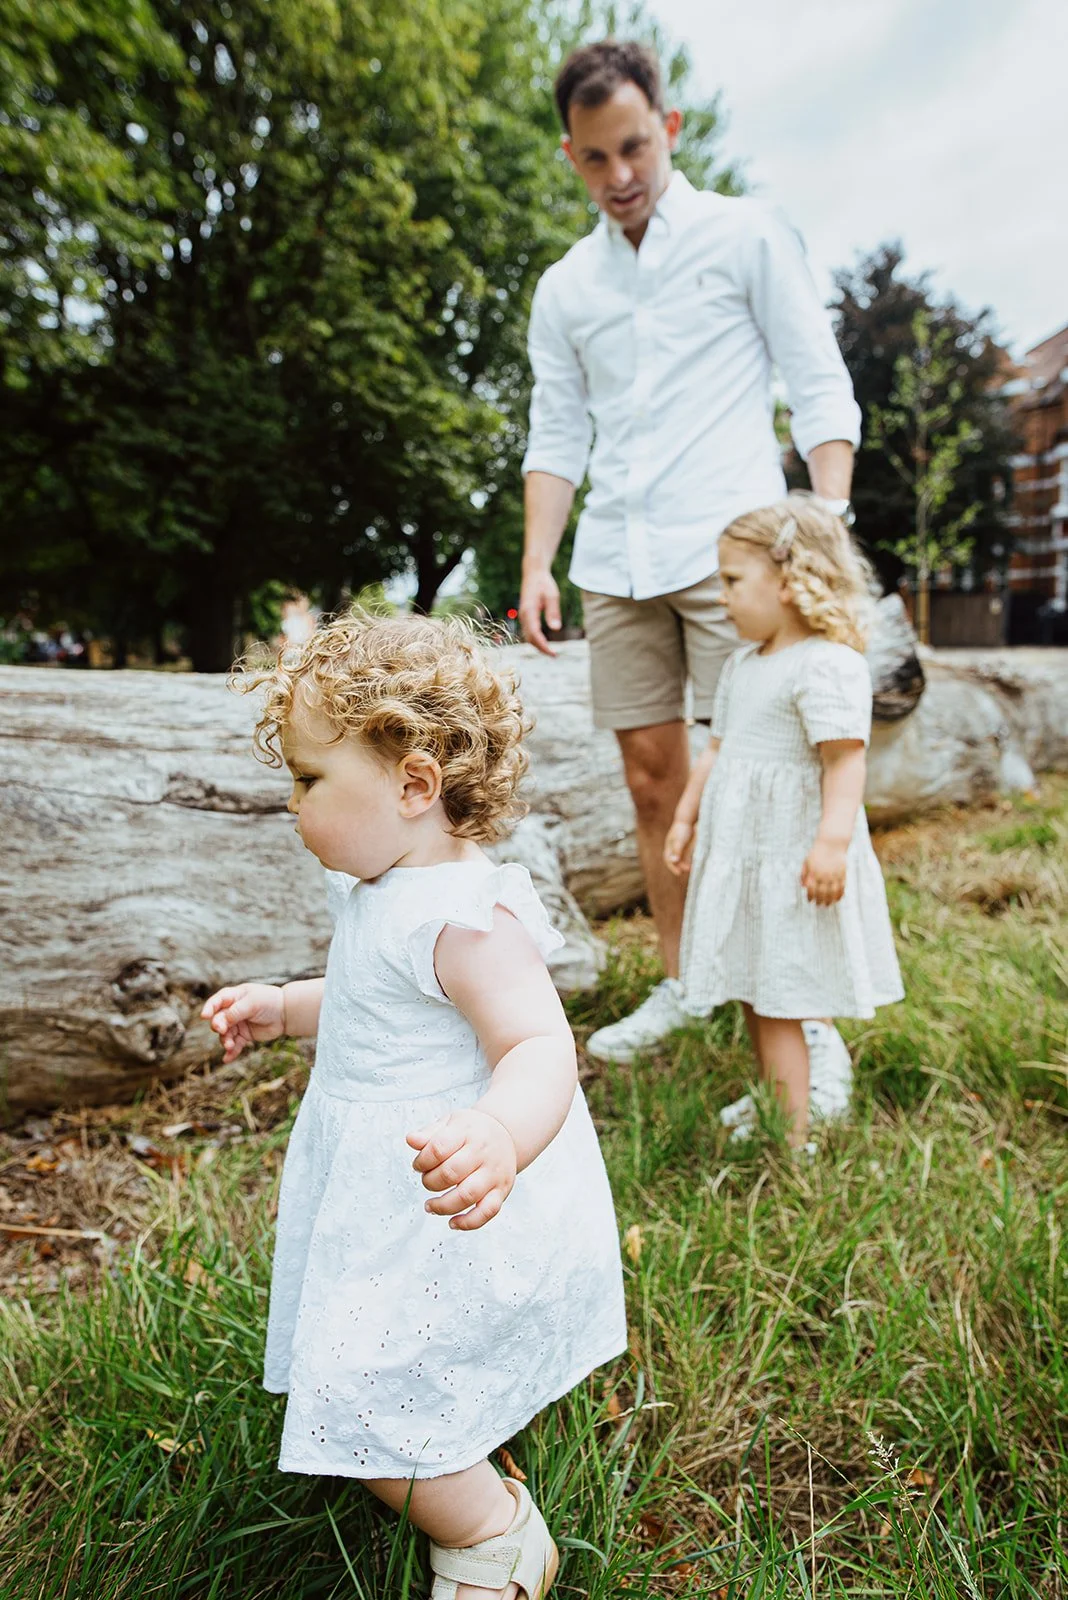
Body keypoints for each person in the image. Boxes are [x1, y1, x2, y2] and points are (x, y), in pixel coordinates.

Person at [201, 612, 625, 1600]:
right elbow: (366, 999)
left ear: (414, 784)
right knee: (392, 1356)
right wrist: (283, 1008)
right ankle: (459, 1438)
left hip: (446, 1184)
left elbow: (536, 1044)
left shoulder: (463, 918)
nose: (293, 805)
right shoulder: (381, 891)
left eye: (308, 780)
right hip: (389, 1188)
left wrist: (499, 1133)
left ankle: (490, 1533)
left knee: (360, 1389)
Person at [518, 39, 862, 1122]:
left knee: (775, 785)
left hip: (739, 562)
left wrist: (826, 524)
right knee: (654, 783)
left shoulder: (746, 233)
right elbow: (556, 428)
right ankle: (685, 979)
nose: (617, 173)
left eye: (632, 146)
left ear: (666, 130)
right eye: (593, 157)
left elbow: (817, 380)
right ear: (570, 157)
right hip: (617, 556)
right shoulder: (565, 287)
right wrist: (538, 558)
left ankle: (809, 1026)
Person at [663, 494, 903, 1146]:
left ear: (791, 579)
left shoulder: (827, 665)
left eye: (734, 581)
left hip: (790, 857)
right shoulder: (743, 665)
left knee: (782, 995)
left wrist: (831, 843)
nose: (721, 597)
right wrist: (685, 818)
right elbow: (717, 748)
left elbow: (844, 762)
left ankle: (791, 1136)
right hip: (743, 854)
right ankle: (777, 1099)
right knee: (752, 983)